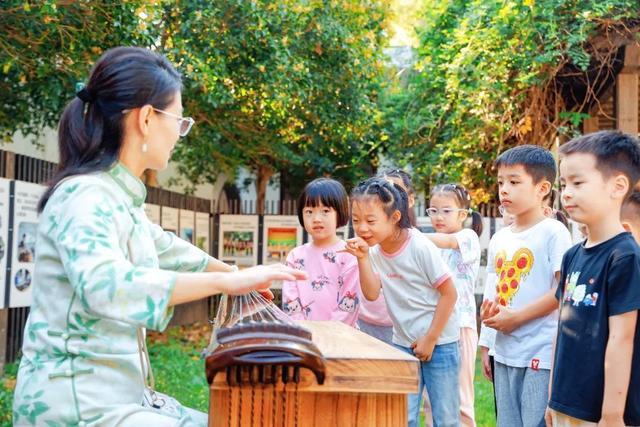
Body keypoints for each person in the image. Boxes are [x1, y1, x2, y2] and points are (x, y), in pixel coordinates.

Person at [12, 47, 306, 427]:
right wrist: (225, 281)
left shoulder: (117, 197)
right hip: (76, 406)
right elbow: (105, 284)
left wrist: (234, 273)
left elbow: (161, 244)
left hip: (116, 397)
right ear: (148, 118)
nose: (180, 134)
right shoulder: (85, 195)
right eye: (179, 121)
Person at [343, 177, 459, 427]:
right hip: (403, 342)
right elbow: (372, 293)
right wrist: (362, 258)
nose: (362, 228)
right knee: (401, 416)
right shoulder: (375, 250)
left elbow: (450, 293)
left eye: (371, 221)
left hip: (440, 342)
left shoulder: (419, 246)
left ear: (394, 217)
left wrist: (431, 338)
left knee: (446, 418)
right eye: (356, 220)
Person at [547, 130, 640, 426]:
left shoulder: (625, 257)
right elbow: (560, 330)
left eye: (577, 183)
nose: (567, 193)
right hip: (566, 403)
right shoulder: (572, 255)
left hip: (601, 411)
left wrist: (612, 414)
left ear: (618, 186)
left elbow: (621, 339)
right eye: (564, 184)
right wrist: (552, 397)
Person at [480, 145, 572, 427]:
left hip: (539, 352)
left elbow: (563, 290)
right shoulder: (500, 239)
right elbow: (491, 293)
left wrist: (518, 318)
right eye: (500, 182)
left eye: (514, 182)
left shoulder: (553, 232)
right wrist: (487, 344)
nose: (504, 189)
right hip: (504, 351)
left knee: (534, 422)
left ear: (542, 187)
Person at [425, 183, 482, 427]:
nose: (438, 216)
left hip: (460, 326)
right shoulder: (429, 246)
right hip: (433, 328)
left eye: (446, 211)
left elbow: (446, 242)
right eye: (433, 210)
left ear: (462, 215)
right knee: (431, 398)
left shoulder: (467, 237)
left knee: (460, 399)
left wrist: (410, 237)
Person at [281, 178, 360, 326]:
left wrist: (329, 332)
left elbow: (349, 303)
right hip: (304, 336)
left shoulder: (349, 254)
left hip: (341, 338)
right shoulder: (295, 256)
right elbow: (290, 299)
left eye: (325, 211)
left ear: (340, 212)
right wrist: (304, 330)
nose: (316, 219)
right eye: (309, 211)